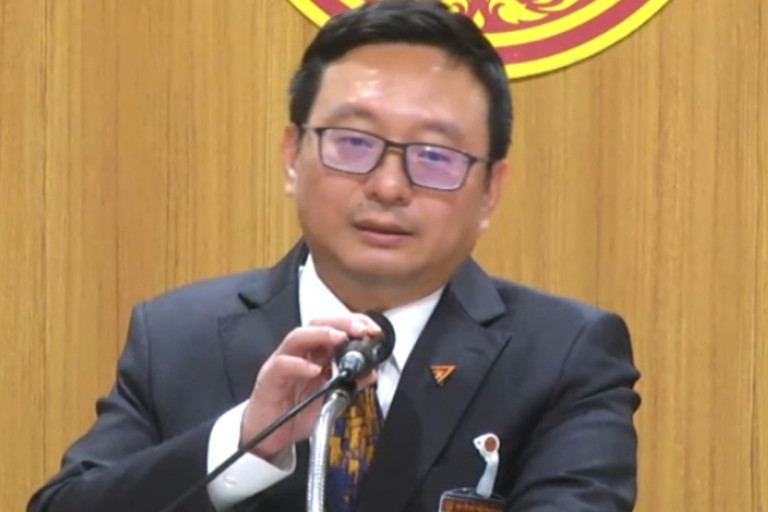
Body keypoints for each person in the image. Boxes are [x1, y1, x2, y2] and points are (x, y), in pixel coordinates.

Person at [28, 1, 640, 511]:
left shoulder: (565, 356)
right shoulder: (176, 338)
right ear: (292, 156)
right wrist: (245, 443)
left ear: (490, 191)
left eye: (435, 156)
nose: (389, 186)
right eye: (353, 142)